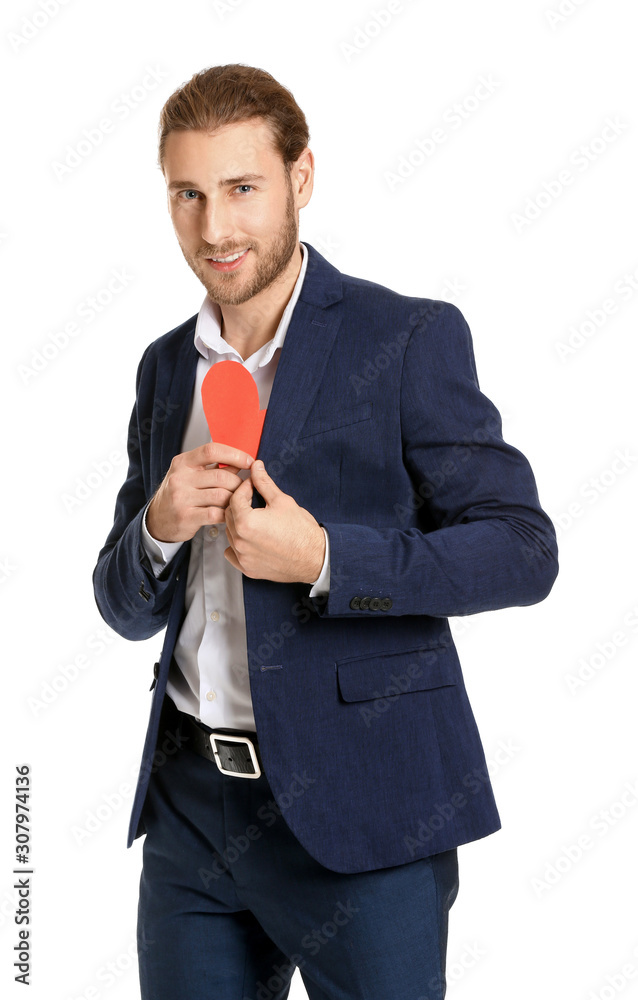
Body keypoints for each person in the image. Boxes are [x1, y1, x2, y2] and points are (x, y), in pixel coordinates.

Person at [93, 63, 559, 1000]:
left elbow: (522, 547)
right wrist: (157, 526)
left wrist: (329, 561)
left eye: (241, 188)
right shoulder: (162, 370)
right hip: (189, 813)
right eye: (188, 194)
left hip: (368, 810)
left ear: (301, 179)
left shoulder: (408, 337)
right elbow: (122, 604)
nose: (214, 228)